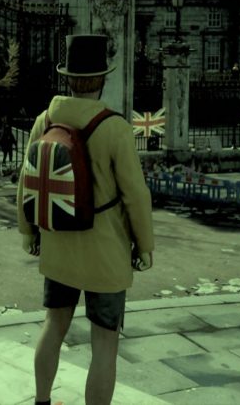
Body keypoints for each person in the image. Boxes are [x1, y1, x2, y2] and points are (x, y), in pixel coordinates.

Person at [17, 34, 155, 405]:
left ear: (68, 78)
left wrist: (29, 233)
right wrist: (144, 245)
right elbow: (135, 196)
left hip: (58, 244)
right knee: (104, 343)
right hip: (105, 253)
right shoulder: (114, 128)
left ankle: (43, 401)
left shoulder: (44, 121)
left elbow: (26, 183)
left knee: (53, 326)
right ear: (102, 78)